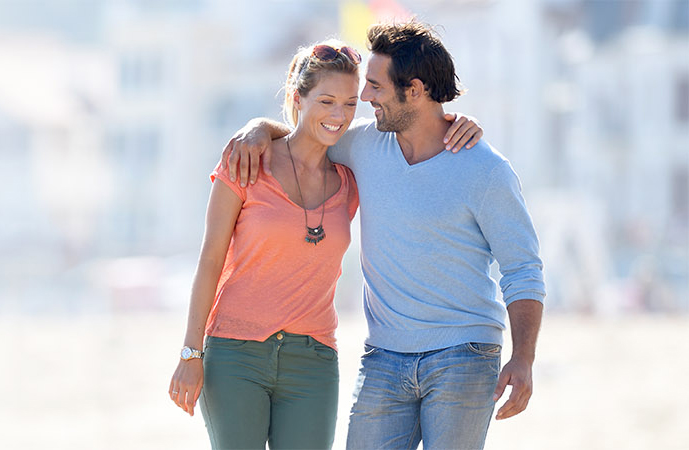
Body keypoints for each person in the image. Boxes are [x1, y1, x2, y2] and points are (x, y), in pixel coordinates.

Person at [222, 20, 545, 450]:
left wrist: (523, 359)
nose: (365, 99)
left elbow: (523, 269)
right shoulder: (365, 145)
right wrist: (259, 128)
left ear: (414, 90)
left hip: (464, 355)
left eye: (374, 87)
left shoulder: (485, 170)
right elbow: (310, 133)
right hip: (384, 359)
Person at [169, 37, 481, 449]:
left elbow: (416, 136)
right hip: (235, 353)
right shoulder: (246, 163)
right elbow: (209, 261)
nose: (339, 116)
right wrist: (191, 354)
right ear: (298, 98)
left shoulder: (352, 176)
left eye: (351, 104)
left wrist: (457, 122)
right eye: (326, 101)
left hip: (313, 362)